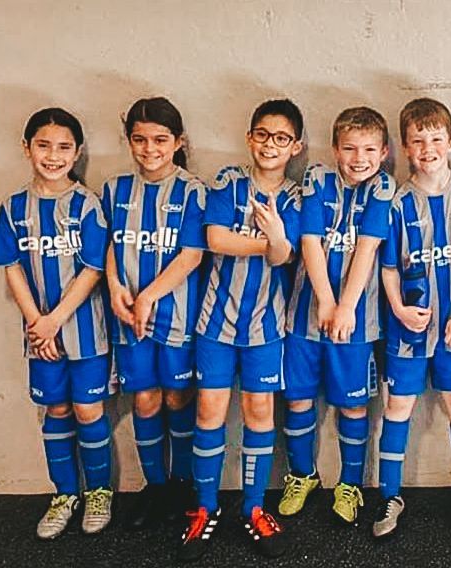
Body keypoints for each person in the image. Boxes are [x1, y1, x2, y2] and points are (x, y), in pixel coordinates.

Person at [179, 99, 304, 561]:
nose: (270, 145)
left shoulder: (296, 197)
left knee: (259, 413)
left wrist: (277, 241)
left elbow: (285, 257)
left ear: (295, 147)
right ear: (250, 138)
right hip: (215, 323)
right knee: (209, 411)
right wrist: (271, 239)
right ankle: (204, 508)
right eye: (263, 135)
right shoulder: (229, 181)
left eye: (281, 138)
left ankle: (253, 507)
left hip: (266, 327)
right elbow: (215, 239)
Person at [0, 107, 113, 539]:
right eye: (43, 145)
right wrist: (36, 323)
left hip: (85, 331)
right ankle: (65, 494)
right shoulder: (12, 208)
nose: (53, 155)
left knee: (88, 409)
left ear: (77, 152)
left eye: (64, 147)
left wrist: (55, 320)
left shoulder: (87, 204)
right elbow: (11, 267)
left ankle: (99, 492)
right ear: (27, 148)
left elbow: (93, 269)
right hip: (39, 333)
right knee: (57, 408)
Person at [374, 98, 451, 541]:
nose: (428, 149)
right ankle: (390, 495)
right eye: (418, 141)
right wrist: (399, 309)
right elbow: (388, 268)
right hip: (409, 328)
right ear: (405, 147)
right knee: (397, 407)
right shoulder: (397, 203)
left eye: (436, 139)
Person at [280, 106, 394, 525]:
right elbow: (310, 241)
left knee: (353, 406)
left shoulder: (383, 186)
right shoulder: (317, 178)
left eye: (369, 149)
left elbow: (367, 248)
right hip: (305, 315)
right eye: (349, 148)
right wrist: (326, 302)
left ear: (384, 153)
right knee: (297, 399)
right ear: (334, 149)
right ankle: (302, 475)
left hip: (356, 322)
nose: (359, 158)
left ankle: (349, 484)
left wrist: (345, 306)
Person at [102, 97, 204, 530]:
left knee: (178, 396)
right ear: (129, 141)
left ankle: (182, 483)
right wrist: (115, 286)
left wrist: (149, 296)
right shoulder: (114, 189)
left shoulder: (193, 190)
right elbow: (110, 245)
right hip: (129, 314)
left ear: (178, 142)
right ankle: (156, 485)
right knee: (144, 398)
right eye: (140, 139)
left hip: (175, 313)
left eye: (160, 139)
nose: (150, 149)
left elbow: (192, 255)